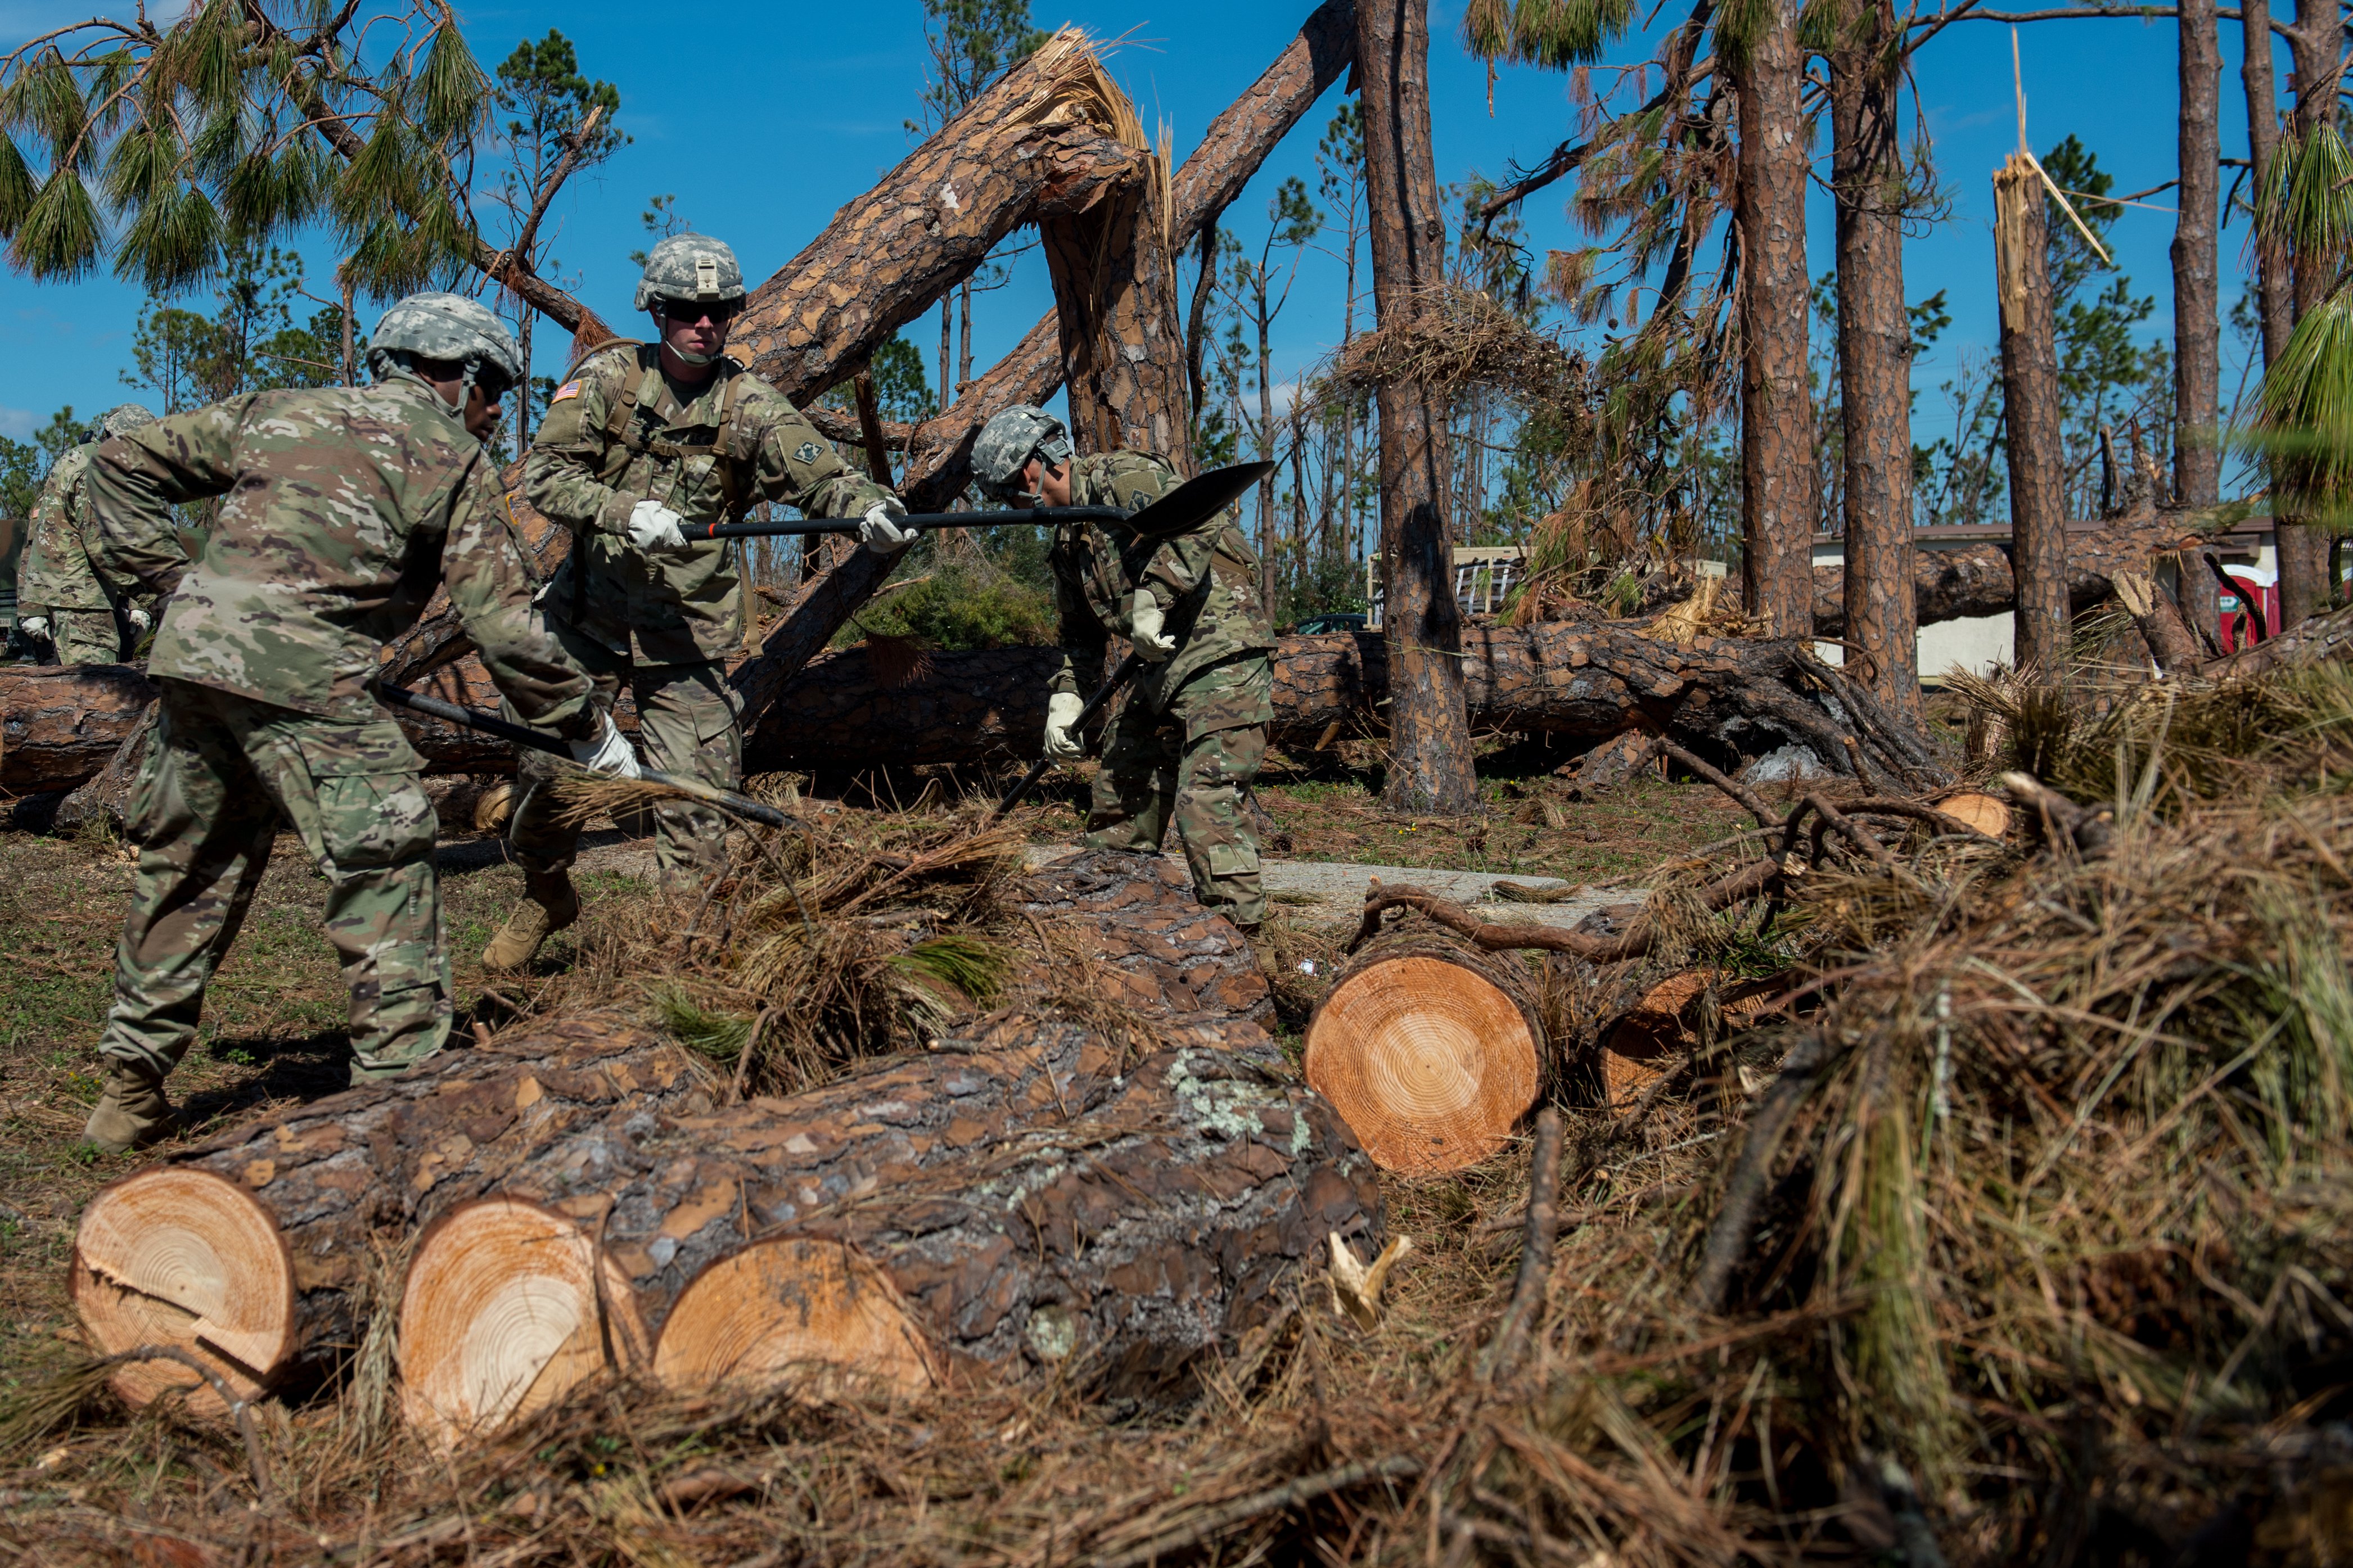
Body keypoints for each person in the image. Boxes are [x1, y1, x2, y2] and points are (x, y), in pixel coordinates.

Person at [74, 293, 628, 1154]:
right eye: (494, 395)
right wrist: (585, 725)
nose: (493, 416)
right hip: (308, 679)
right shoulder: (447, 455)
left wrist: (173, 589)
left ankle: (129, 1092)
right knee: (388, 857)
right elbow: (502, 624)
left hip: (196, 665)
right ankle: (400, 1099)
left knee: (189, 863)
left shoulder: (279, 413)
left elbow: (118, 462)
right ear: (460, 377)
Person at [488, 233, 911, 970]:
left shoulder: (749, 406)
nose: (704, 323)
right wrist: (625, 512)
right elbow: (547, 478)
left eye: (718, 310)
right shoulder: (609, 380)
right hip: (586, 619)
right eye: (687, 309)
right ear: (657, 311)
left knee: (701, 810)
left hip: (687, 638)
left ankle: (686, 969)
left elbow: (822, 477)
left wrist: (869, 508)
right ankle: (546, 890)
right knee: (544, 781)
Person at [971, 405, 1274, 930]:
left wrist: (1153, 595)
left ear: (1029, 470)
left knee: (1207, 803)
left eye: (1006, 493)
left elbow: (1202, 519)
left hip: (1222, 653)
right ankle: (1123, 928)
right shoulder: (1069, 544)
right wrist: (1065, 702)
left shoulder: (1123, 478)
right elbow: (1079, 642)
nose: (1012, 506)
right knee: (1120, 788)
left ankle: (1244, 945)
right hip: (1159, 669)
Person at [19, 404, 169, 664]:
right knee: (95, 692)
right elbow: (104, 548)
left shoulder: (80, 459)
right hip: (84, 601)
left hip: (81, 598)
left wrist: (139, 605)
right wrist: (154, 599)